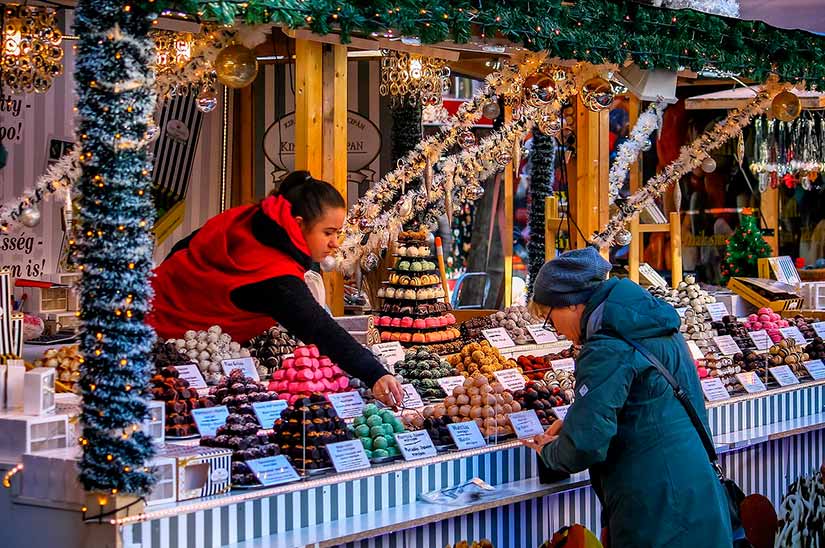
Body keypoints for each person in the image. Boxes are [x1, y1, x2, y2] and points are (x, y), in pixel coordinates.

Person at [523, 247, 733, 548]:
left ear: (570, 304)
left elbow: (585, 445)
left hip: (656, 511)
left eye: (549, 318)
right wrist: (576, 420)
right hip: (697, 493)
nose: (555, 330)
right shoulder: (657, 328)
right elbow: (644, 404)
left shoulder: (606, 347)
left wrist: (549, 452)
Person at [149, 171, 404, 407]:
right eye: (328, 232)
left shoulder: (254, 217)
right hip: (168, 335)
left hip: (156, 300)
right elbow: (319, 329)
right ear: (300, 224)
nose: (335, 243)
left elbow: (184, 246)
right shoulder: (273, 273)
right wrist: (374, 373)